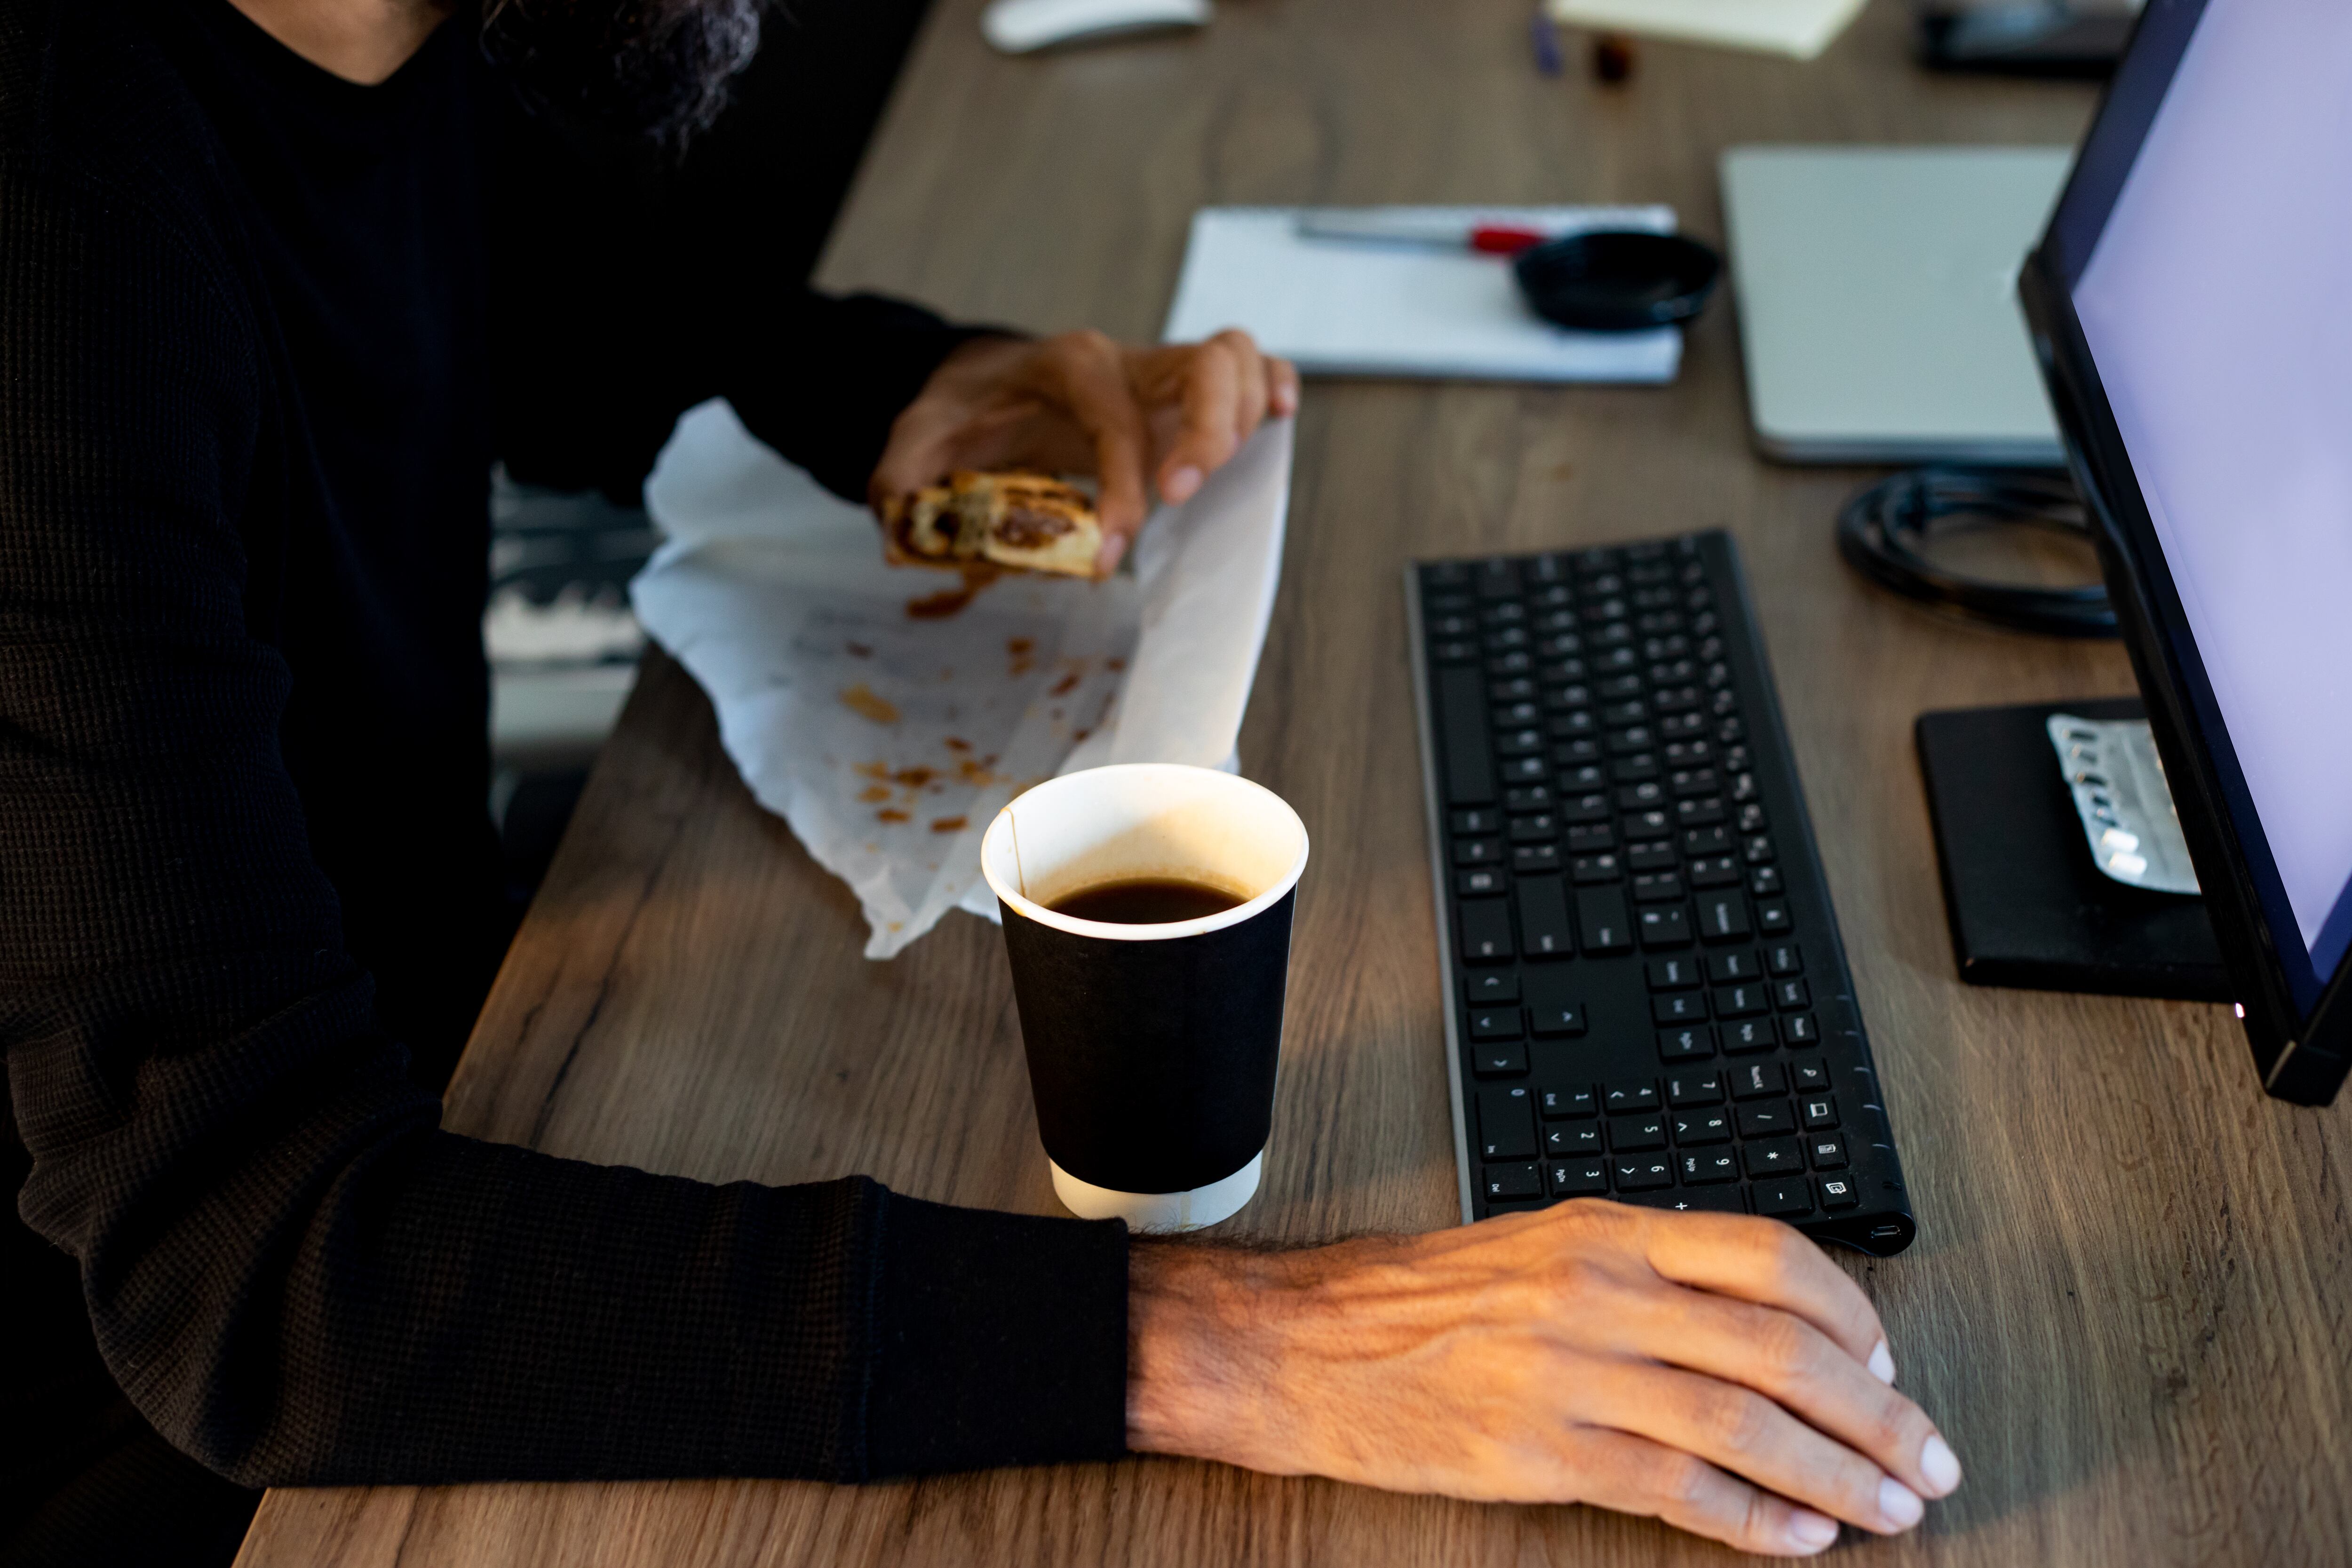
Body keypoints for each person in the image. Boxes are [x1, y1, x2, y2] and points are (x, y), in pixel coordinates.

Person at [0, 0, 1963, 1562]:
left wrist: (905, 395)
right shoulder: (62, 240)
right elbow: (247, 1272)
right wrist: (1227, 1344)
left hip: (457, 1045)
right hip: (193, 1366)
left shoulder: (359, 39)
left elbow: (528, 305)